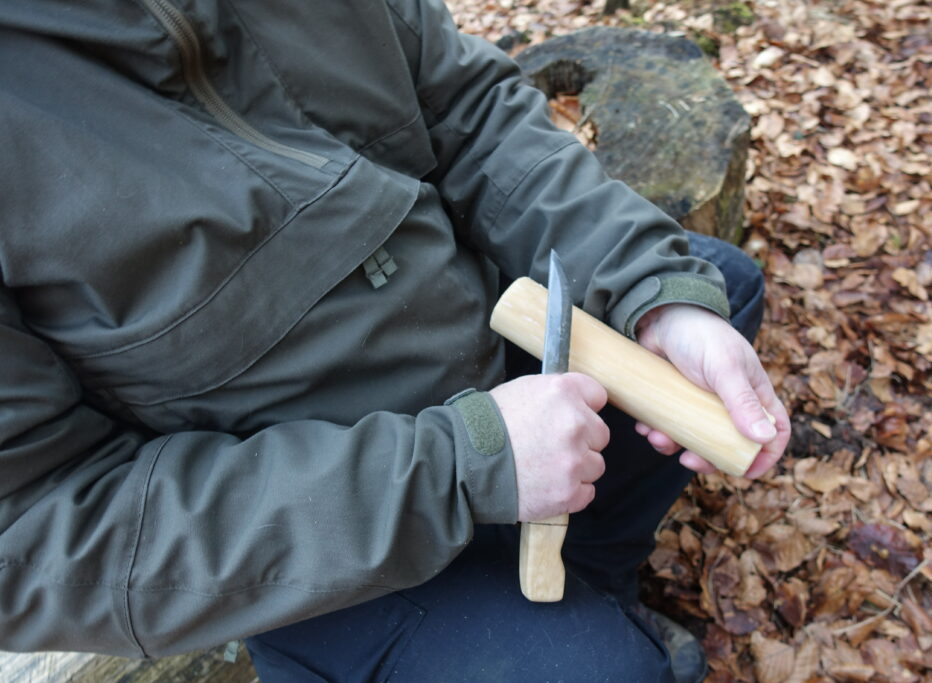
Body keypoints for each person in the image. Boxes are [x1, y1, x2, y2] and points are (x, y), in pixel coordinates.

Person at [0, 0, 790, 680]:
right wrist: (460, 465)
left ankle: (591, 578)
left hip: (466, 334)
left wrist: (653, 291)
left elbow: (469, 111)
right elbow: (34, 539)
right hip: (302, 532)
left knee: (714, 284)